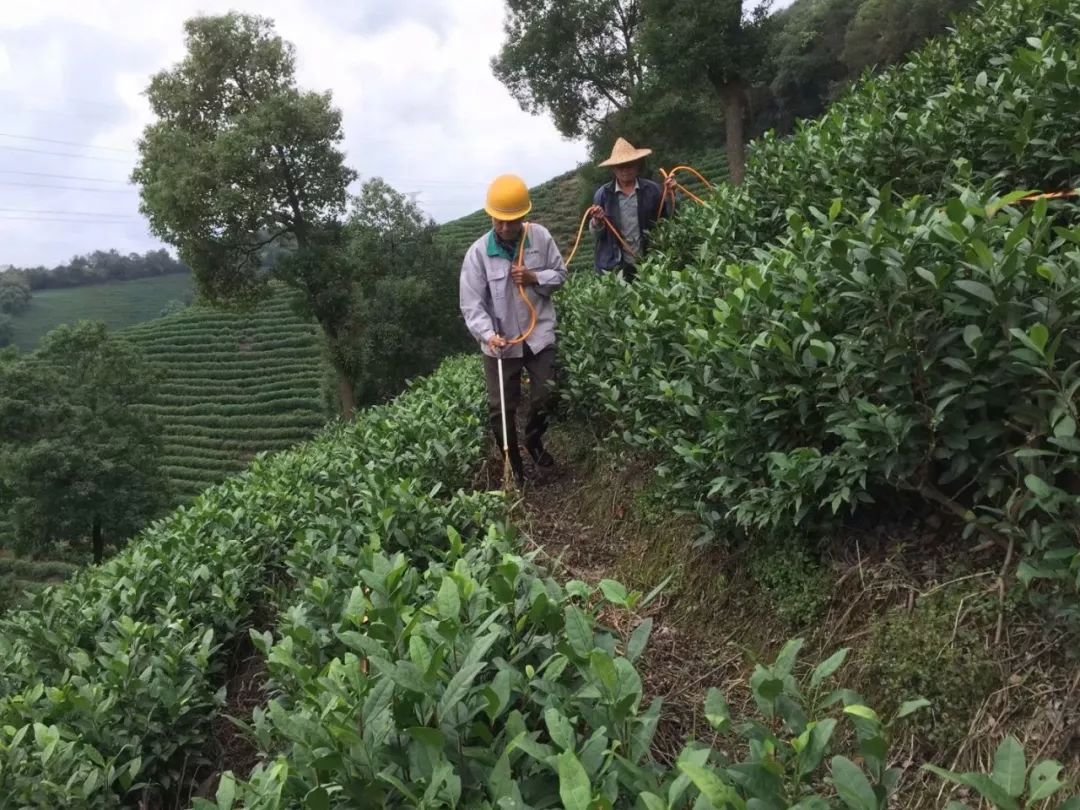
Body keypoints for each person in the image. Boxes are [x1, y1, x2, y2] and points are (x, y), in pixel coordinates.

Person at [460, 174, 568, 486]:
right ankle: (514, 465)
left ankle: (534, 439)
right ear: (491, 216)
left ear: (524, 216)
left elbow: (561, 274)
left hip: (539, 336)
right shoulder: (478, 254)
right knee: (500, 410)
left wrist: (536, 278)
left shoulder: (541, 238)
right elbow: (471, 304)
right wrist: (487, 333)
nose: (506, 228)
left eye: (513, 221)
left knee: (547, 394)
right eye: (500, 221)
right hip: (500, 344)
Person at [588, 137, 677, 281]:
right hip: (616, 268)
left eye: (629, 165)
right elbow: (596, 235)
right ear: (613, 169)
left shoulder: (652, 189)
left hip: (649, 262)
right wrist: (597, 222)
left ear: (637, 166)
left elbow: (668, 218)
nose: (625, 170)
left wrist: (670, 195)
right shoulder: (603, 195)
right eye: (620, 166)